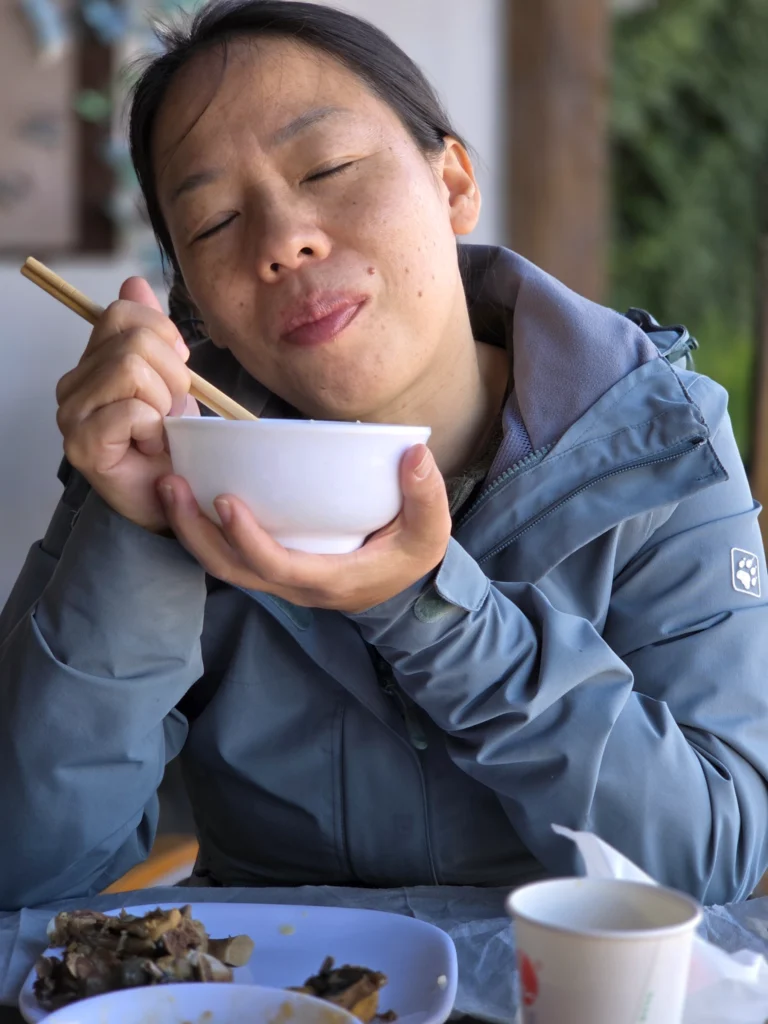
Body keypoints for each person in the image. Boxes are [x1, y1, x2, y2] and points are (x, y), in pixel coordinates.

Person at [1, 0, 767, 914]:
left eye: (326, 167)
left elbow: (713, 860)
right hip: (269, 992)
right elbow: (28, 874)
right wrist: (132, 529)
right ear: (195, 306)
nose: (285, 242)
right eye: (212, 225)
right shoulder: (167, 456)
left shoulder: (652, 438)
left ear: (452, 183)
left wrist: (431, 611)